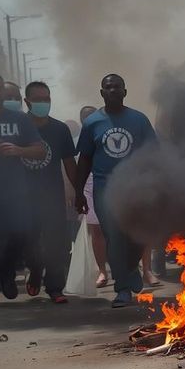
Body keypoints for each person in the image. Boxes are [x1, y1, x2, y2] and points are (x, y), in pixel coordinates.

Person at [74, 74, 158, 308]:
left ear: (124, 92)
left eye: (117, 87)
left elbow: (152, 154)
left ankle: (131, 268)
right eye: (108, 88)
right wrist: (79, 192)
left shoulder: (139, 120)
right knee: (115, 238)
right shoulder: (93, 123)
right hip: (105, 190)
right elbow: (85, 159)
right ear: (102, 93)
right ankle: (122, 288)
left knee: (138, 234)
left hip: (136, 189)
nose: (113, 91)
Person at [0, 73, 46, 310]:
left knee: (21, 233)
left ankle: (5, 267)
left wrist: (18, 150)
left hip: (15, 190)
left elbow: (39, 150)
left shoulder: (19, 119)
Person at [21, 81, 78, 304]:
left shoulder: (59, 129)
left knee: (59, 245)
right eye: (38, 99)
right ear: (27, 102)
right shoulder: (19, 127)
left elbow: (69, 163)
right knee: (30, 244)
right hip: (23, 198)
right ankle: (35, 271)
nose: (43, 103)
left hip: (52, 197)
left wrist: (79, 191)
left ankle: (55, 287)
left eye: (47, 99)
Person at [78, 105, 109, 287]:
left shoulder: (106, 134)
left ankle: (128, 269)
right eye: (85, 117)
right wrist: (77, 192)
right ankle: (102, 271)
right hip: (89, 188)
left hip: (108, 187)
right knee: (96, 231)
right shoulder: (80, 140)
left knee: (116, 232)